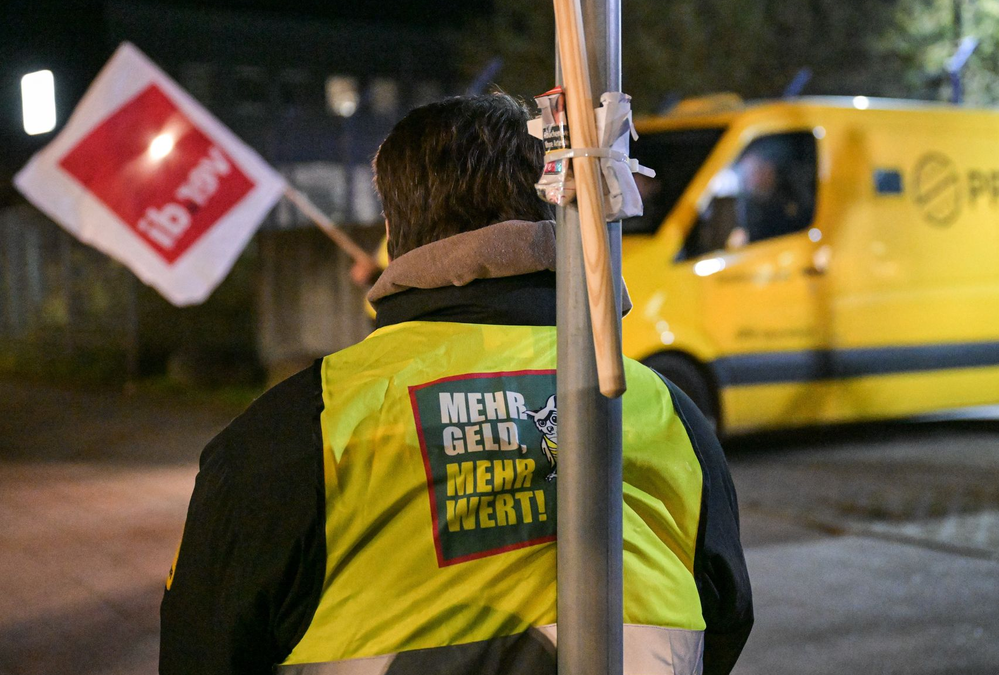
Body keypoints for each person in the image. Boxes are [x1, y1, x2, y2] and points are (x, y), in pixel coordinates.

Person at [160, 93, 752, 675]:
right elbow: (725, 618)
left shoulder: (289, 438)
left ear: (393, 230)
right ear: (551, 208)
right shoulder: (665, 411)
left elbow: (200, 650)